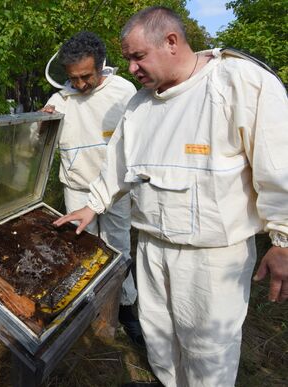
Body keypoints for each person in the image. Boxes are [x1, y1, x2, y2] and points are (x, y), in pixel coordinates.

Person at [54, 6, 288, 387]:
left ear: (172, 42)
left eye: (137, 57)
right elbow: (118, 162)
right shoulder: (141, 103)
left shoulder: (238, 82)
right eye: (128, 58)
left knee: (207, 356)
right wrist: (92, 204)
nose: (130, 68)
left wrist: (284, 238)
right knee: (161, 346)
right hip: (152, 248)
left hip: (212, 258)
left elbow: (279, 163)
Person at [41, 31, 143, 345]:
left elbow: (138, 140)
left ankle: (124, 308)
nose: (81, 84)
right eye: (74, 78)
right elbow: (41, 142)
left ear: (101, 66)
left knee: (118, 248)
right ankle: (88, 306)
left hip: (115, 189)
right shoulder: (60, 99)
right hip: (77, 188)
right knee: (84, 249)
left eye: (87, 76)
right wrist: (41, 124)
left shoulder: (123, 91)